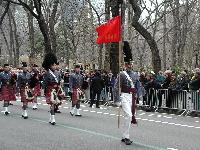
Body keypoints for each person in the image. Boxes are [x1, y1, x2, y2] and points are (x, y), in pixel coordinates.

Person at [42, 53, 64, 125]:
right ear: (50, 66)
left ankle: (51, 116)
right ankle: (53, 118)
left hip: (57, 90)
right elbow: (45, 83)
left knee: (55, 104)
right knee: (52, 104)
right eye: (53, 65)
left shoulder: (58, 73)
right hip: (50, 90)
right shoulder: (47, 73)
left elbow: (60, 81)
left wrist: (61, 83)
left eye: (55, 65)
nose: (54, 66)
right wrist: (44, 90)